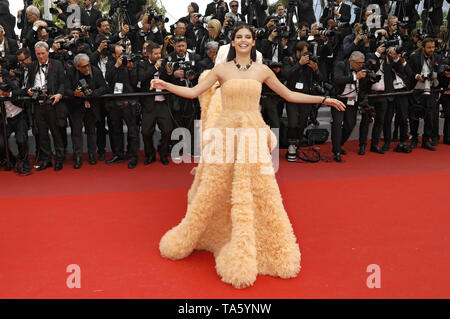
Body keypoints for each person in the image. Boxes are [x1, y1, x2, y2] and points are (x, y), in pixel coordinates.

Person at [150, 24, 345, 289]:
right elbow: (194, 92)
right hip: (224, 134)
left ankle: (250, 239)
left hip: (252, 134)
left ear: (253, 42)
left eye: (247, 37)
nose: (243, 40)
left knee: (259, 189)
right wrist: (165, 84)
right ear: (232, 41)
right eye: (239, 37)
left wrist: (323, 99)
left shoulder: (262, 70)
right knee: (215, 187)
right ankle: (214, 232)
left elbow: (288, 94)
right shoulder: (221, 70)